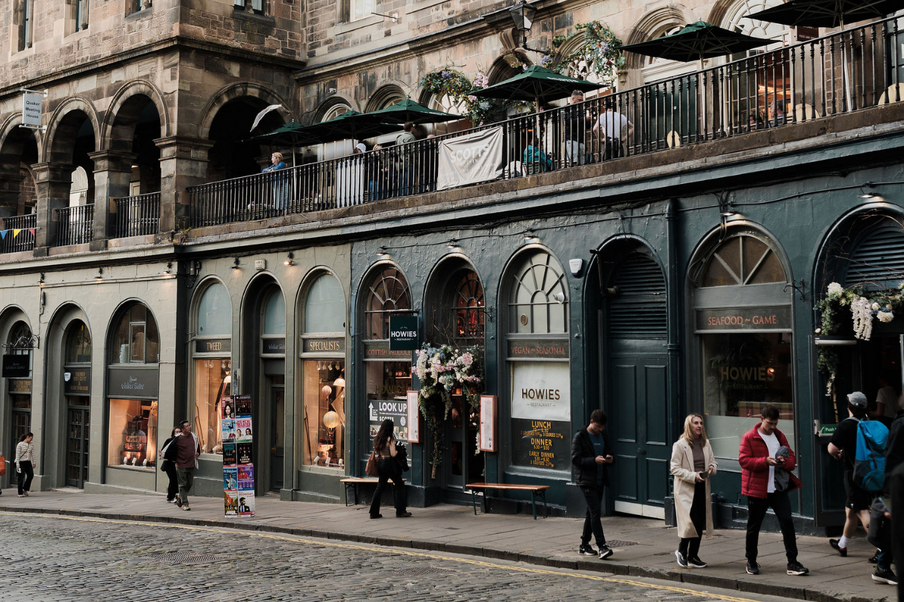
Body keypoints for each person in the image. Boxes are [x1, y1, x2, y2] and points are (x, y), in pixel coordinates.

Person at [739, 405, 809, 576]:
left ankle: (792, 563)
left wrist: (783, 462)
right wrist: (765, 461)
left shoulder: (779, 436)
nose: (772, 427)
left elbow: (791, 460)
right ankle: (751, 561)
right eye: (770, 423)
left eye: (775, 424)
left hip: (778, 489)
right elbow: (744, 461)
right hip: (757, 490)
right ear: (761, 419)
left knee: (787, 523)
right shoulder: (749, 437)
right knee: (753, 526)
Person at [827, 391, 873, 557]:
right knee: (851, 510)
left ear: (849, 407)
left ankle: (883, 548)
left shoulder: (846, 425)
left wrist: (836, 454)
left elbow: (831, 448)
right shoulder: (869, 422)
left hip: (854, 474)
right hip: (870, 472)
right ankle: (842, 545)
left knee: (861, 510)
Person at [670, 414, 718, 569]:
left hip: (702, 486)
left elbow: (713, 461)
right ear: (688, 426)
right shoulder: (680, 445)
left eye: (701, 423)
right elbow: (674, 468)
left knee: (699, 521)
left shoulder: (706, 443)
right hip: (686, 488)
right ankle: (681, 551)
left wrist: (712, 468)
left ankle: (693, 555)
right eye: (695, 423)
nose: (699, 426)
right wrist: (693, 476)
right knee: (689, 521)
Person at [571, 409, 614, 560]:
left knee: (591, 512)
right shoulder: (580, 437)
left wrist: (609, 458)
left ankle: (584, 545)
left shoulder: (604, 435)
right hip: (586, 480)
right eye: (598, 426)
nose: (600, 429)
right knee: (596, 511)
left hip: (600, 479)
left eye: (602, 427)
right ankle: (602, 546)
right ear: (591, 422)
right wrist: (594, 460)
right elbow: (576, 459)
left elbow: (609, 452)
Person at [369, 418, 411, 519]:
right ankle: (400, 510)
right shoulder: (390, 439)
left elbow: (378, 451)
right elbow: (393, 454)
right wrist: (397, 451)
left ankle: (373, 512)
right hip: (390, 464)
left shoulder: (378, 438)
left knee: (380, 488)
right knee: (399, 485)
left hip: (382, 464)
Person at [172, 420, 200, 511]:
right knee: (182, 484)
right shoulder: (177, 438)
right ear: (183, 429)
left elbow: (197, 447)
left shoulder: (194, 436)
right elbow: (170, 449)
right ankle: (185, 503)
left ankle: (180, 495)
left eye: (189, 425)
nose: (189, 427)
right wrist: (173, 460)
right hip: (181, 465)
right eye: (187, 426)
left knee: (189, 484)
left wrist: (198, 453)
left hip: (191, 464)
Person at [564, 90, 590, 166]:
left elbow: (586, 126)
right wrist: (584, 119)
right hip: (571, 138)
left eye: (581, 100)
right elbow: (569, 121)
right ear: (573, 98)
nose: (581, 102)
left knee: (582, 163)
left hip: (581, 139)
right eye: (579, 100)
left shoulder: (580, 110)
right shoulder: (567, 108)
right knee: (574, 162)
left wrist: (589, 120)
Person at [159, 426, 181, 503]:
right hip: (169, 463)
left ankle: (170, 496)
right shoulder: (169, 441)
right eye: (176, 432)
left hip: (177, 463)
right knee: (173, 479)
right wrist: (161, 453)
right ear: (173, 433)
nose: (178, 433)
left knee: (173, 480)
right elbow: (163, 451)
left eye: (179, 432)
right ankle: (174, 496)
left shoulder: (180, 442)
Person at [395, 122, 416, 197]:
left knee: (401, 181)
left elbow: (397, 150)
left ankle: (400, 195)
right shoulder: (411, 137)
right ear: (411, 128)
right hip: (408, 162)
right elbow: (413, 151)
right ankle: (406, 195)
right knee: (408, 181)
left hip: (400, 163)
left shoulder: (399, 138)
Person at [14, 432, 36, 498]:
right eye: (31, 438)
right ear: (27, 437)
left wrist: (34, 462)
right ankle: (20, 492)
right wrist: (17, 465)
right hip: (21, 462)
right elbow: (17, 455)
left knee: (31, 475)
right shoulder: (20, 444)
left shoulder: (31, 444)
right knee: (21, 477)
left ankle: (25, 488)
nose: (31, 440)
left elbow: (33, 453)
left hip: (28, 462)